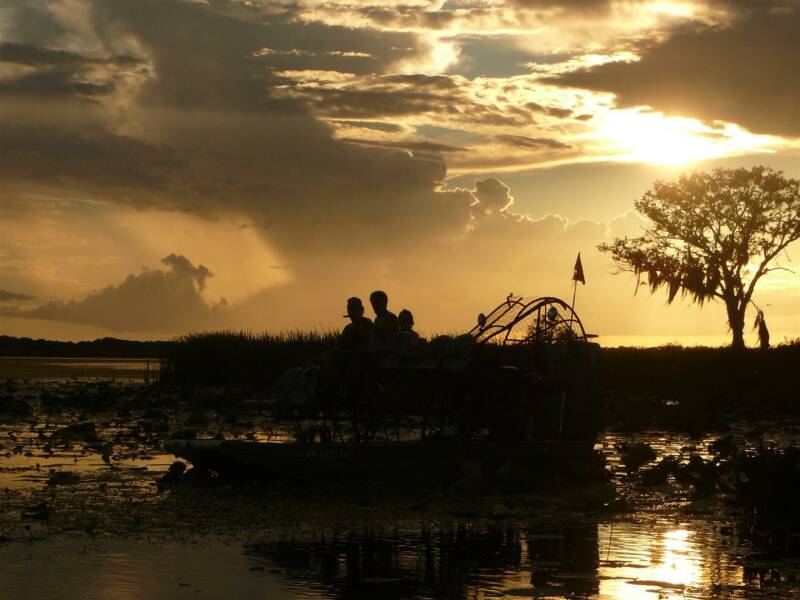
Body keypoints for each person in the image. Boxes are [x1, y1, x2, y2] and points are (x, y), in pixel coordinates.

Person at [368, 290, 399, 366]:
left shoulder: (391, 318)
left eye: (377, 303)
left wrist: (370, 326)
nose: (375, 306)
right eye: (373, 303)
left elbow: (385, 335)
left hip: (387, 361)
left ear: (385, 303)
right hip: (376, 359)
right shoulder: (377, 319)